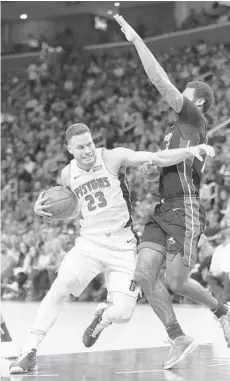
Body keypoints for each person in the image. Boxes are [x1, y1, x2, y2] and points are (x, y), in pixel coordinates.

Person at [9, 123, 213, 374]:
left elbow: (155, 157)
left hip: (123, 244)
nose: (87, 151)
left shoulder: (113, 157)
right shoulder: (66, 175)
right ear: (69, 149)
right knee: (61, 285)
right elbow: (71, 208)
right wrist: (42, 210)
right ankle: (29, 350)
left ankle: (103, 317)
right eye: (80, 147)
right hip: (89, 243)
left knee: (123, 314)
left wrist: (189, 151)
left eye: (89, 144)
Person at [114, 14, 230, 370]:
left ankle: (222, 310)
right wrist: (150, 169)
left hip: (187, 209)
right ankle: (177, 335)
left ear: (199, 102)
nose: (178, 95)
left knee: (176, 282)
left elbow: (159, 80)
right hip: (163, 209)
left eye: (186, 93)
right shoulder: (174, 132)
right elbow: (156, 174)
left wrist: (136, 39)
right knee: (144, 274)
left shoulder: (194, 119)